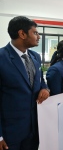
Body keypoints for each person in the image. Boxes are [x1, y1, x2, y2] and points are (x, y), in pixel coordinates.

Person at [0, 16, 49, 150]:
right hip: (10, 133)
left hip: (34, 129)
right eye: (35, 33)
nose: (38, 36)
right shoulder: (2, 58)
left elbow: (41, 81)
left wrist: (45, 89)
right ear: (22, 34)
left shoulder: (35, 57)